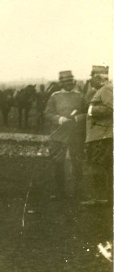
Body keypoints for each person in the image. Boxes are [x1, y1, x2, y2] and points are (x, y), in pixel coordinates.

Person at [44, 70, 87, 201]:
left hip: (75, 135)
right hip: (58, 135)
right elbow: (47, 113)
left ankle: (78, 192)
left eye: (71, 81)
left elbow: (87, 113)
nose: (69, 84)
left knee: (77, 163)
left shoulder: (80, 96)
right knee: (58, 163)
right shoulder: (54, 96)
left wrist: (78, 118)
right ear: (60, 83)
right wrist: (60, 119)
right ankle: (60, 193)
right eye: (66, 82)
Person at [82, 79, 113, 207]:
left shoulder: (105, 89)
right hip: (98, 134)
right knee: (98, 165)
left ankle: (100, 198)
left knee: (98, 165)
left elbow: (111, 109)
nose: (91, 80)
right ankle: (102, 197)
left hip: (101, 135)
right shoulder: (102, 90)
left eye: (94, 76)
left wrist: (92, 111)